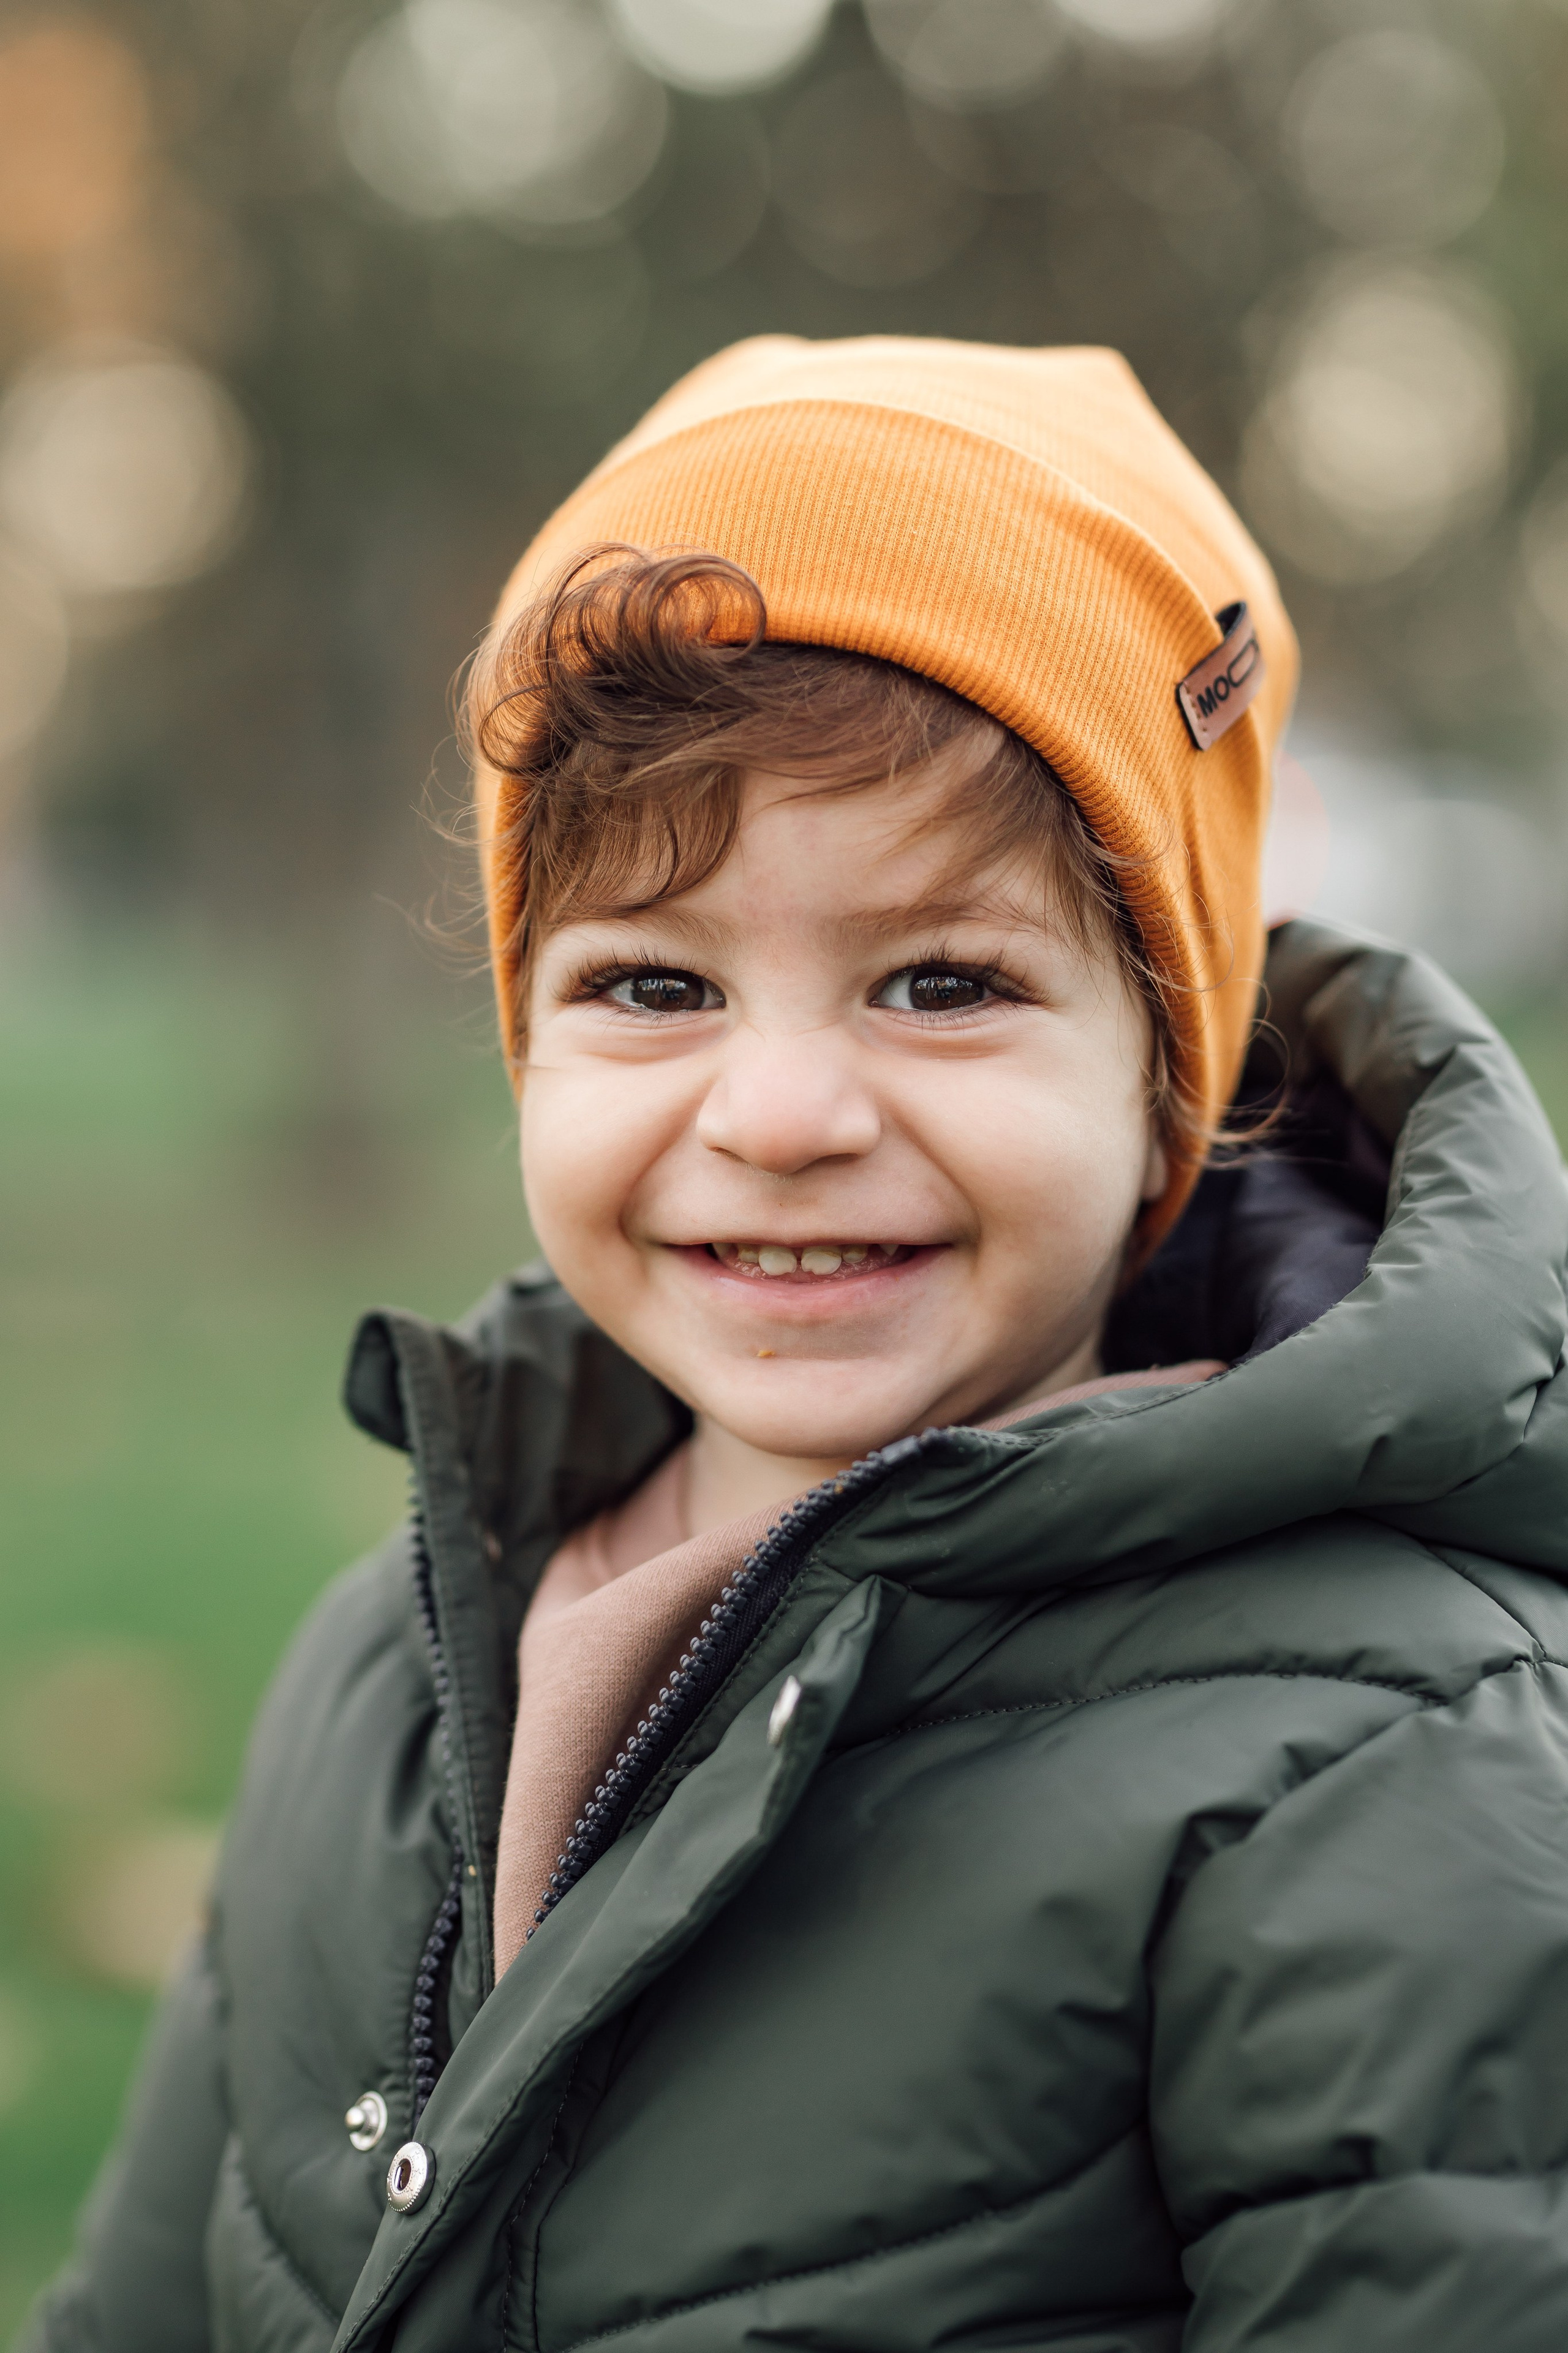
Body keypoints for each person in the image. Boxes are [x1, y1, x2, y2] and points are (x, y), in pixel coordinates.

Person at [23, 336, 1568, 2353]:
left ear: (1170, 1077)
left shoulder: (1387, 1758)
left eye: (941, 980)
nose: (778, 1112)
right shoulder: (390, 1663)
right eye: (653, 979)